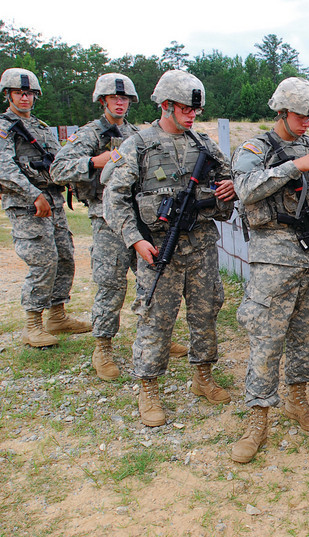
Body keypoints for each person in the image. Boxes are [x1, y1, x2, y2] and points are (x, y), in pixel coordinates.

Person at [230, 77, 309, 464]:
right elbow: (246, 189)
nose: (307, 124)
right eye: (301, 116)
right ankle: (257, 418)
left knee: (306, 334)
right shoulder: (256, 148)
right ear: (281, 111)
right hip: (274, 259)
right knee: (267, 340)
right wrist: (292, 165)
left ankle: (297, 398)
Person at [103, 69, 236, 427]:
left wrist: (226, 193)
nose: (192, 115)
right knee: (156, 319)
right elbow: (113, 199)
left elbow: (227, 191)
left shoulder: (206, 146)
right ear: (165, 105)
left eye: (196, 110)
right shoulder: (139, 145)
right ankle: (148, 387)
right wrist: (136, 239)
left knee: (205, 313)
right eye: (185, 108)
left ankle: (202, 375)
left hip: (202, 248)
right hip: (159, 249)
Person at [51, 73, 188, 381]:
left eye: (125, 98)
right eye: (114, 98)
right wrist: (93, 162)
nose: (120, 103)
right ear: (103, 101)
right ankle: (103, 347)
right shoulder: (89, 134)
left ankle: (158, 339)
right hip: (105, 219)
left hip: (138, 218)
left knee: (152, 282)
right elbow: (57, 169)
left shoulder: (136, 134)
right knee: (111, 284)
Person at [0, 67, 91, 348]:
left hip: (53, 203)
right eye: (19, 92)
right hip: (27, 205)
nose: (25, 98)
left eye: (29, 93)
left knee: (64, 257)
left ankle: (57, 316)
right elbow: (4, 168)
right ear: (8, 94)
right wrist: (33, 194)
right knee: (43, 261)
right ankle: (32, 325)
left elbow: (59, 163)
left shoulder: (40, 128)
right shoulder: (4, 127)